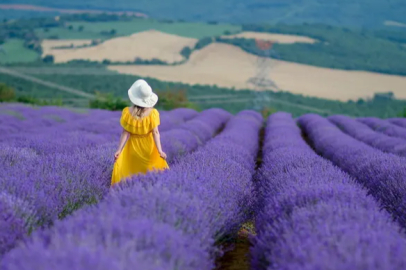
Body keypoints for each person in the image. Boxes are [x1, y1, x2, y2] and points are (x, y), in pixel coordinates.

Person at [111, 79, 169, 186]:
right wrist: (160, 151)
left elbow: (125, 133)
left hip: (132, 148)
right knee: (150, 174)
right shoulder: (153, 113)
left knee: (131, 173)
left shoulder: (127, 113)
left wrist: (119, 150)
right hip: (149, 147)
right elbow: (155, 133)